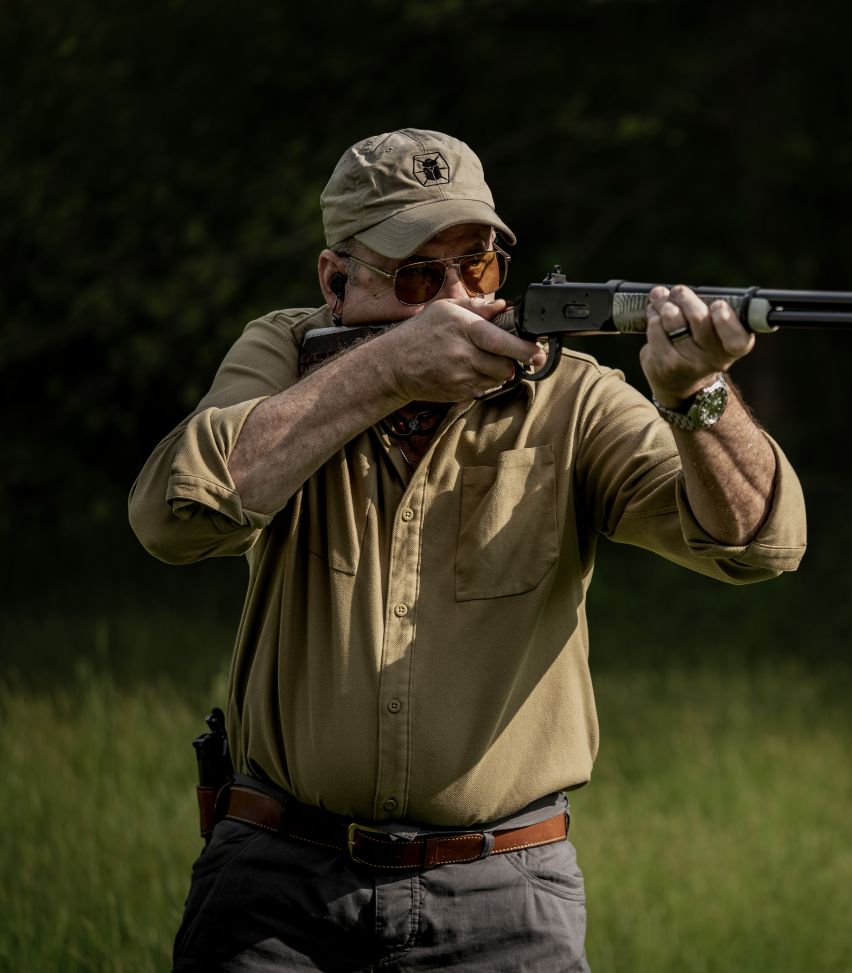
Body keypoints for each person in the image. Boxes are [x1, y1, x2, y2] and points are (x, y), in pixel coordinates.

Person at [129, 128, 806, 971]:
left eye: (478, 266)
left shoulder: (573, 395)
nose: (457, 298)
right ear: (335, 281)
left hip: (505, 891)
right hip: (276, 882)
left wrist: (696, 393)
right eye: (419, 275)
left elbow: (756, 543)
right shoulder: (282, 352)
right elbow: (172, 518)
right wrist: (388, 374)